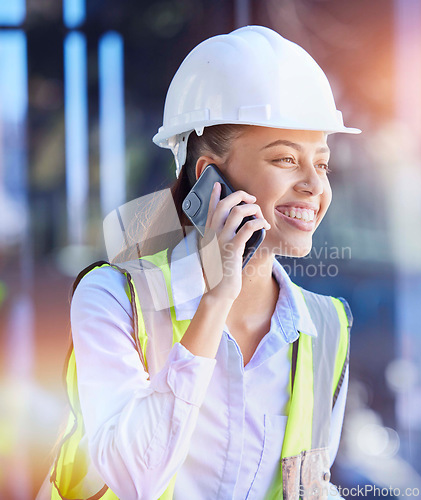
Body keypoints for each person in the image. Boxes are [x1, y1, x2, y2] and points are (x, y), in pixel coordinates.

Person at [46, 25, 360, 500]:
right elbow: (134, 476)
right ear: (208, 178)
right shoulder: (113, 298)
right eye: (285, 160)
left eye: (322, 163)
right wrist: (216, 299)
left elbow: (310, 487)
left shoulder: (326, 327)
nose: (315, 187)